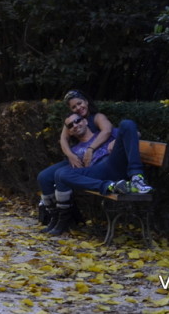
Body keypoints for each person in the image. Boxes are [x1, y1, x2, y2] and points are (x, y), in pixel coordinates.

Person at [48, 116, 154, 236]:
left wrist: (117, 140)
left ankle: (137, 178)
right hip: (97, 171)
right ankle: (111, 186)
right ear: (69, 132)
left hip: (113, 162)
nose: (75, 125)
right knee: (62, 173)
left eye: (77, 121)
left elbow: (133, 133)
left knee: (127, 123)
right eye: (71, 125)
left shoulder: (104, 133)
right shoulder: (76, 148)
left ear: (85, 121)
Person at [36, 90, 113, 232]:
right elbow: (63, 139)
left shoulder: (97, 117)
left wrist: (91, 149)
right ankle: (55, 217)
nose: (78, 108)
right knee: (44, 177)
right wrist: (70, 155)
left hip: (94, 162)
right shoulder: (72, 120)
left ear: (86, 102)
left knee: (61, 174)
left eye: (79, 103)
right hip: (76, 158)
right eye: (74, 107)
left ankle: (64, 220)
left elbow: (107, 131)